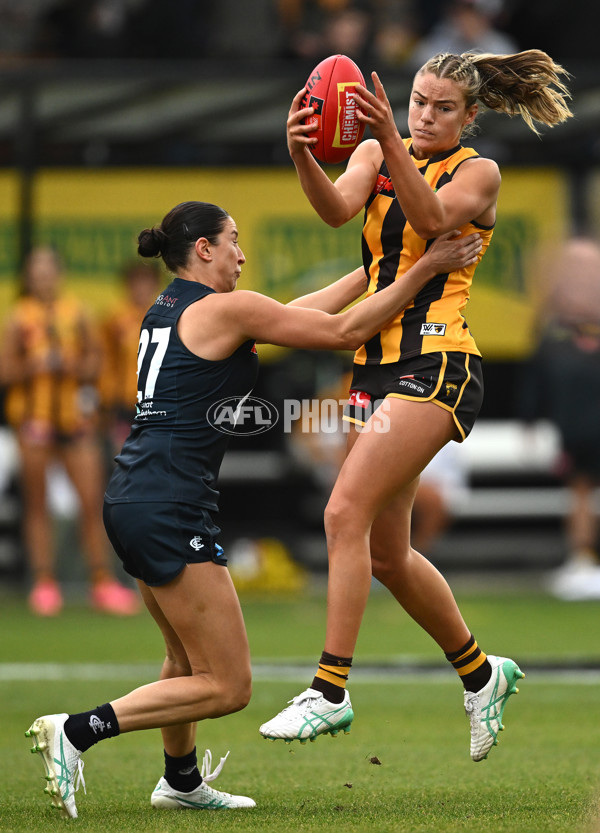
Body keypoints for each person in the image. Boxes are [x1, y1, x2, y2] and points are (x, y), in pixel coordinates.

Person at [24, 201, 483, 819]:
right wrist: (425, 269)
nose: (242, 253)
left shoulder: (170, 308)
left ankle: (180, 781)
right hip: (167, 503)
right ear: (204, 250)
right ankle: (77, 732)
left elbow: (292, 316)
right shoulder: (225, 308)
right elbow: (343, 334)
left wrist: (381, 265)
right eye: (233, 241)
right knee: (229, 685)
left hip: (136, 495)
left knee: (185, 660)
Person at [259, 49, 572, 761]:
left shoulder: (477, 173)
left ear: (468, 116)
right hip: (374, 367)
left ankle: (328, 691)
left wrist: (391, 143)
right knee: (388, 555)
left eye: (441, 107)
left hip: (439, 362)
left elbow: (431, 218)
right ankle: (482, 673)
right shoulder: (374, 149)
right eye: (417, 101)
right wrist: (302, 153)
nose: (423, 115)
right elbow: (339, 211)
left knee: (344, 510)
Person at [0, 246, 140, 617]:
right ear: (29, 277)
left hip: (75, 422)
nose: (44, 276)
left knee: (92, 501)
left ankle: (101, 581)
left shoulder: (76, 313)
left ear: (58, 274)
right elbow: (5, 371)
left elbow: (97, 361)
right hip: (34, 421)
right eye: (37, 270)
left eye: (49, 269)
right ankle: (44, 583)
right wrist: (35, 365)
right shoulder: (17, 318)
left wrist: (71, 363)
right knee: (36, 503)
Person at [517, 235, 600, 601]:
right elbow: (535, 385)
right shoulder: (553, 336)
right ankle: (583, 562)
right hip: (578, 431)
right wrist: (530, 422)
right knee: (581, 492)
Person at [99, 259, 162, 456]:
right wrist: (107, 400)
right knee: (127, 462)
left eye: (146, 281)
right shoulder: (115, 319)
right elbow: (106, 361)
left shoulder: (167, 317)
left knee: (159, 463)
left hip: (161, 402)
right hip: (125, 403)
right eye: (136, 281)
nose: (141, 287)